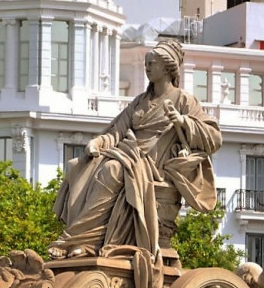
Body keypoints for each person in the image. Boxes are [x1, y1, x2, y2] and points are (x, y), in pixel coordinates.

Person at [49, 39, 222, 261]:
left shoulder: (183, 100)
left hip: (154, 165)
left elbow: (214, 137)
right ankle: (87, 241)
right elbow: (117, 131)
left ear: (168, 67)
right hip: (129, 154)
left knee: (112, 169)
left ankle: (76, 239)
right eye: (146, 63)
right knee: (77, 166)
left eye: (153, 63)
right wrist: (98, 143)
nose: (147, 67)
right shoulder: (140, 101)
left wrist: (183, 121)